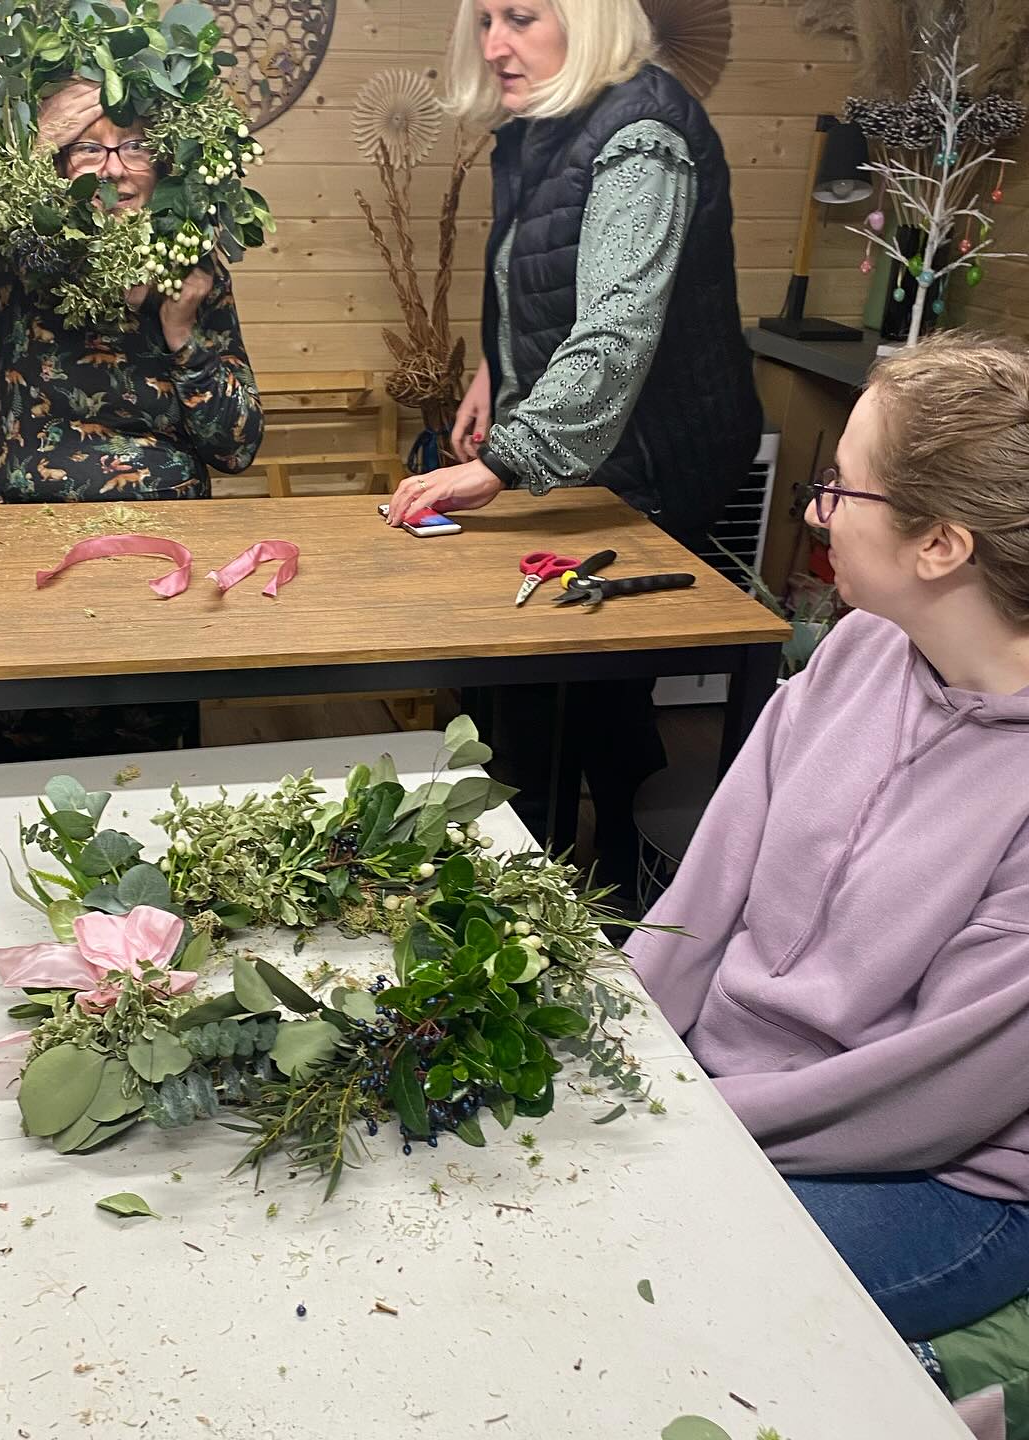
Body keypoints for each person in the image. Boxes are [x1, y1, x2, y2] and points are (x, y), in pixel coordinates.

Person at [628, 332, 1029, 1342]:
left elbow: (937, 1091)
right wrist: (618, 1045)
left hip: (937, 1173)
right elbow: (704, 898)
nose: (814, 511)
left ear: (941, 544)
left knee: (642, 1288)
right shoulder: (858, 648)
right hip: (732, 1095)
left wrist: (693, 1129)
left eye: (840, 488)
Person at [383, 0, 762, 896]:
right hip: (588, 436)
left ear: (589, 17)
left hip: (659, 451)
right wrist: (492, 372)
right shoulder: (544, 122)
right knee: (556, 680)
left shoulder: (641, 133)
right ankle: (550, 861)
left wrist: (500, 462)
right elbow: (540, 277)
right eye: (483, 19)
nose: (495, 44)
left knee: (573, 677)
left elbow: (616, 328)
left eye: (522, 16)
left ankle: (599, 893)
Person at [0, 81, 264, 504]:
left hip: (167, 515)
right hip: (31, 512)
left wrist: (183, 335)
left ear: (164, 166)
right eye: (88, 149)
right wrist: (31, 144)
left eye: (135, 146)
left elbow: (235, 450)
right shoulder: (17, 260)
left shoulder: (192, 273)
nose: (114, 170)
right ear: (58, 167)